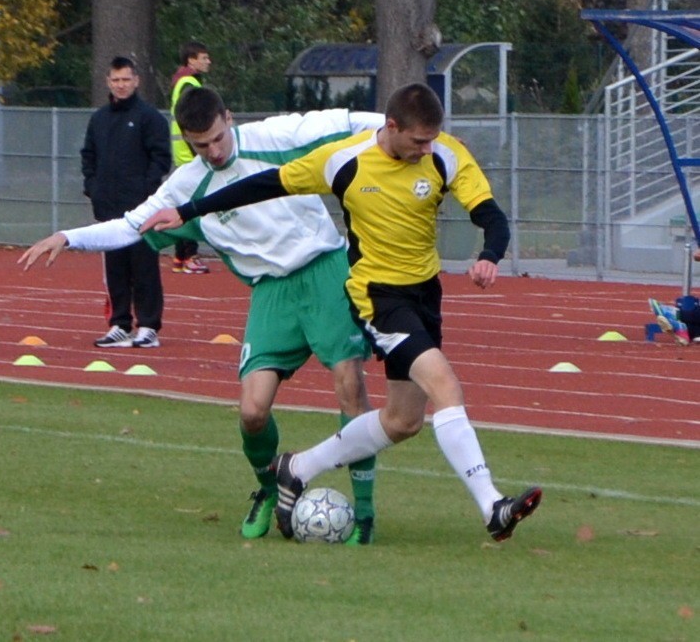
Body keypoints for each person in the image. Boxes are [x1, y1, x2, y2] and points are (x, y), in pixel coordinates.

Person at [140, 82, 543, 543]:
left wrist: (490, 252)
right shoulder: (344, 160)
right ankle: (492, 504)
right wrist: (188, 209)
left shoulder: (445, 154)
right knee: (445, 386)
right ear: (392, 127)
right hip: (377, 297)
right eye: (418, 141)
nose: (426, 150)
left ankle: (298, 466)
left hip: (425, 294)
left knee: (403, 421)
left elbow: (490, 213)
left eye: (432, 139)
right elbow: (263, 185)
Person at [19, 87, 385, 545]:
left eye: (216, 139)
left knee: (350, 384)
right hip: (271, 292)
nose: (212, 152)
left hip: (324, 270)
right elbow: (130, 226)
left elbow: (352, 122)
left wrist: (413, 136)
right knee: (252, 412)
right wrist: (68, 236)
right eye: (199, 145)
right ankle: (271, 490)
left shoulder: (275, 137)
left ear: (228, 119)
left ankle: (365, 516)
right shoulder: (185, 185)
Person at [81, 56, 171, 348]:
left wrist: (145, 191)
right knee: (115, 270)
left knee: (143, 267)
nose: (121, 85)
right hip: (108, 208)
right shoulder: (100, 119)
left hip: (141, 210)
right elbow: (88, 157)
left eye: (126, 79)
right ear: (108, 82)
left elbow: (160, 159)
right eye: (116, 80)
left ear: (136, 81)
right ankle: (119, 323)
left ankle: (147, 327)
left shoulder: (151, 118)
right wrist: (93, 189)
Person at [169, 41, 212, 274]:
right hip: (189, 155)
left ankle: (179, 257)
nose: (208, 62)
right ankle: (189, 256)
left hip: (183, 154)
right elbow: (192, 120)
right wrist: (199, 150)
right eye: (204, 58)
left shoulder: (181, 81)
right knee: (192, 207)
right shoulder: (189, 84)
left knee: (184, 205)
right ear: (191, 60)